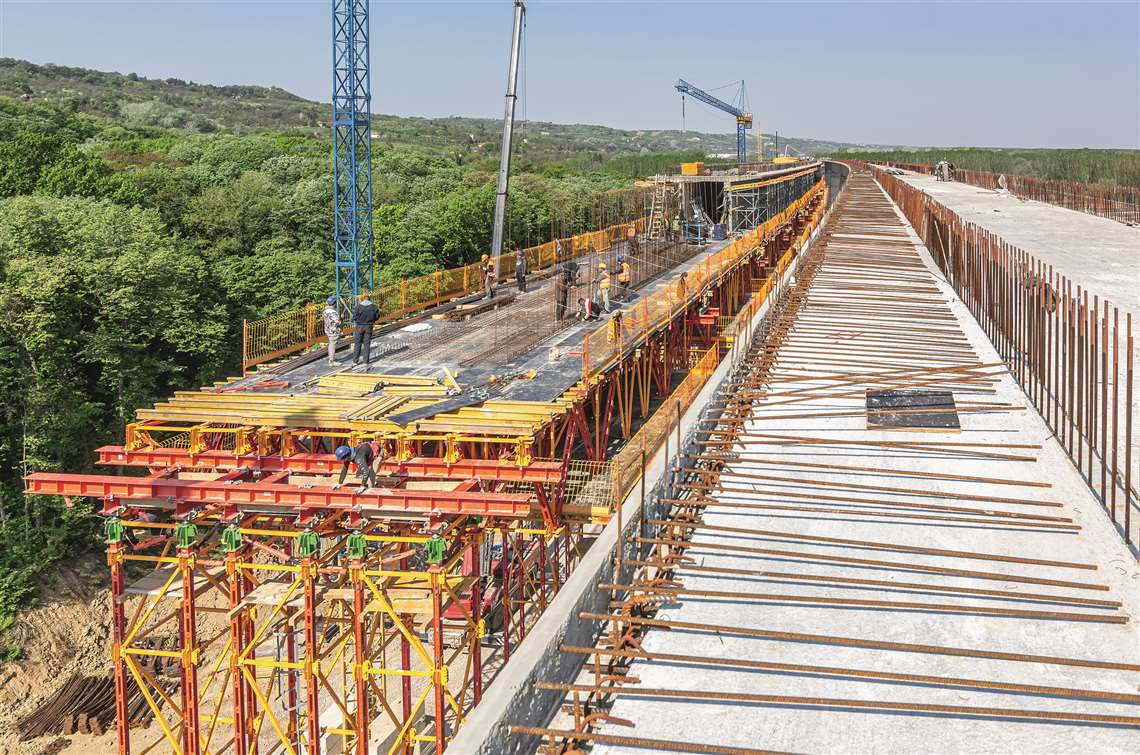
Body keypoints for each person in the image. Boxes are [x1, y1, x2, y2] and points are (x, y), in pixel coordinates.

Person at [351, 290, 379, 366]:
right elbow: (377, 317)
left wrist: (359, 321)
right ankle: (365, 362)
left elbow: (354, 317)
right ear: (369, 298)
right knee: (367, 344)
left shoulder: (358, 307)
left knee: (357, 344)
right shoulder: (374, 307)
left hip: (359, 326)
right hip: (369, 326)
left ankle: (355, 361)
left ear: (363, 298)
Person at [322, 296, 342, 366]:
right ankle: (331, 361)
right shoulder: (333, 312)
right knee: (332, 345)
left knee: (331, 344)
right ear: (334, 303)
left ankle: (331, 358)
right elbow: (338, 322)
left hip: (327, 329)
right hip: (333, 331)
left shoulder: (325, 311)